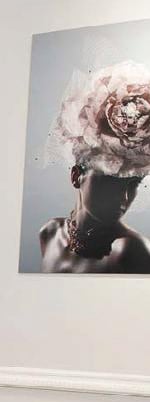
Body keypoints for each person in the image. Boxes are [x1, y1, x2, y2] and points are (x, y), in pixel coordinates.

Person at [40, 61, 150, 273]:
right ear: (76, 176)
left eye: (134, 183)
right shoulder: (49, 233)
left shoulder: (130, 251)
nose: (125, 198)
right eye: (112, 180)